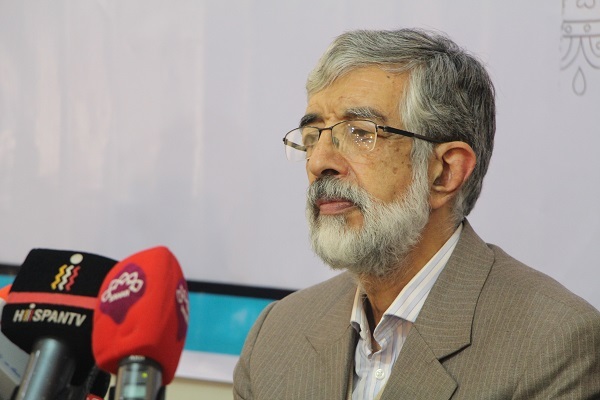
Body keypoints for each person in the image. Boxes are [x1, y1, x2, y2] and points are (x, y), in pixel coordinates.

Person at [233, 28, 600, 399]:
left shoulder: (553, 344)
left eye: (360, 133)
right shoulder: (276, 335)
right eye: (313, 136)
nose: (318, 162)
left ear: (445, 172)